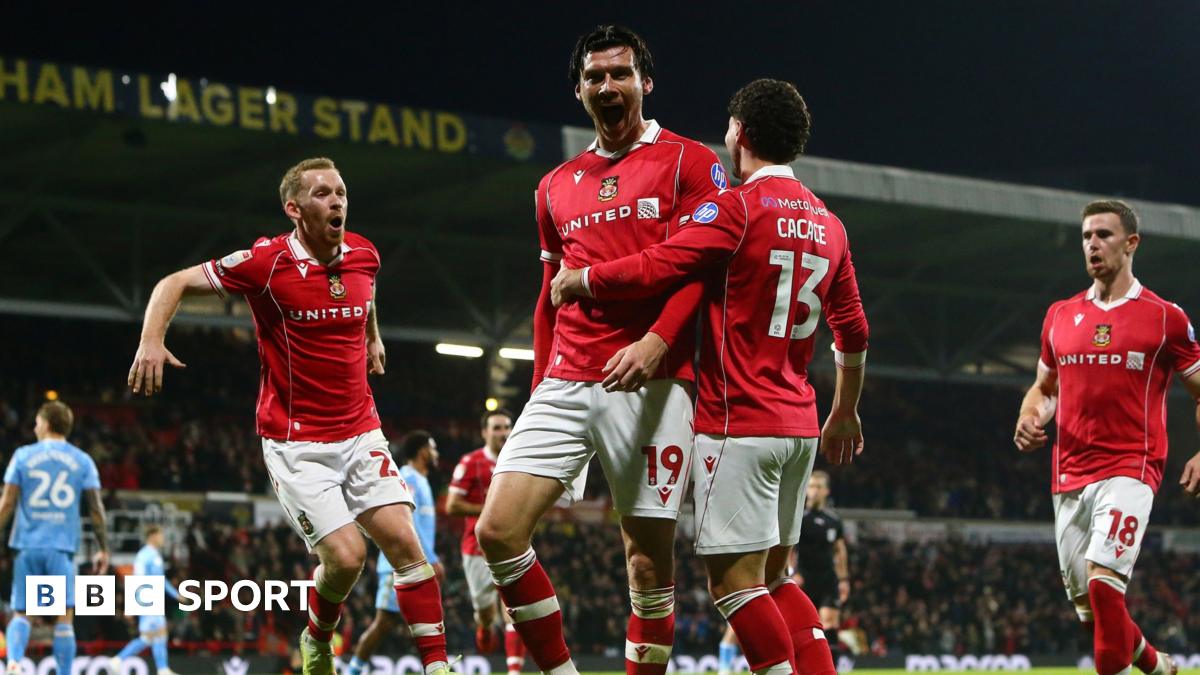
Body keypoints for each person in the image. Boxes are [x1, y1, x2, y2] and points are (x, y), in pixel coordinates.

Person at [553, 78, 869, 675]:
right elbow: (853, 332)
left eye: (728, 127)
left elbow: (663, 262)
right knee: (776, 577)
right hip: (799, 425)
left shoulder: (736, 208)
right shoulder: (830, 225)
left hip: (737, 423)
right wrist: (844, 410)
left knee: (735, 588)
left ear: (740, 135)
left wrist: (585, 280)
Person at [127, 157, 448, 675]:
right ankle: (318, 636)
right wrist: (151, 340)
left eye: (341, 191)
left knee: (411, 549)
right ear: (294, 209)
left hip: (362, 429)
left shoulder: (365, 254)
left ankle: (438, 666)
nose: (337, 201)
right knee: (346, 559)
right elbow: (173, 282)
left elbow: (365, 296)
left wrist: (372, 336)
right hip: (297, 442)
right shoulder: (266, 263)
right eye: (322, 194)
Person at [474, 25, 723, 675]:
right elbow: (547, 294)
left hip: (655, 378)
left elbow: (701, 271)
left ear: (646, 81)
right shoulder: (555, 185)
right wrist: (538, 388)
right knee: (496, 531)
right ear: (579, 90)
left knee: (646, 560)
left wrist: (658, 339)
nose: (606, 86)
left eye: (619, 73)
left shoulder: (691, 162)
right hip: (567, 376)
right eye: (594, 77)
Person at [1015, 199, 1200, 675]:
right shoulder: (1059, 315)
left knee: (1103, 586)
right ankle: (1158, 666)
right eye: (1086, 237)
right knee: (1094, 615)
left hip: (1130, 468)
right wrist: (1032, 414)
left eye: (1104, 235)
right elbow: (1043, 388)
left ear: (1131, 243)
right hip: (1068, 472)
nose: (1092, 244)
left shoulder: (1164, 317)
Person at [0, 401, 110, 675]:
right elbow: (96, 508)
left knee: (22, 612)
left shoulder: (23, 456)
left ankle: (14, 662)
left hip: (27, 545)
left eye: (37, 422)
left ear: (46, 424)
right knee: (63, 615)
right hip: (61, 547)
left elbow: (7, 504)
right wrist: (103, 548)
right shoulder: (82, 460)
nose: (35, 427)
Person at [346, 431, 443, 675]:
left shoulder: (421, 480)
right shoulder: (408, 477)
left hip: (413, 563)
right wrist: (432, 558)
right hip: (398, 563)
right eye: (432, 448)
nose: (436, 453)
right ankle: (352, 672)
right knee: (384, 623)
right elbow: (405, 521)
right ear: (422, 451)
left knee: (419, 620)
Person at [445, 410, 526, 675]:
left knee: (513, 608)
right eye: (497, 428)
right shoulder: (471, 462)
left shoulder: (518, 459)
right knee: (485, 614)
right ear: (484, 432)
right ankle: (483, 626)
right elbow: (452, 505)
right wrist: (490, 511)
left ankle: (514, 670)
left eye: (506, 427)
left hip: (511, 544)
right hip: (476, 549)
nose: (503, 432)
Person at [794, 471, 850, 660]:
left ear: (826, 491)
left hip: (827, 578)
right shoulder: (798, 517)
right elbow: (786, 548)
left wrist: (843, 579)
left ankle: (830, 669)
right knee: (803, 626)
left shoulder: (834, 519)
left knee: (830, 623)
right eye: (810, 486)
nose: (814, 491)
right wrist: (792, 572)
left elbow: (840, 550)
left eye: (818, 487)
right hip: (804, 578)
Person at [110, 526, 180, 675]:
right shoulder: (144, 555)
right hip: (146, 596)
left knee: (160, 633)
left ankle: (162, 668)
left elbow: (162, 580)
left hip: (153, 596)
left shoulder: (155, 555)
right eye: (161, 535)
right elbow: (138, 579)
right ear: (152, 535)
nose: (163, 539)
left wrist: (175, 594)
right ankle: (118, 659)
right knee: (149, 637)